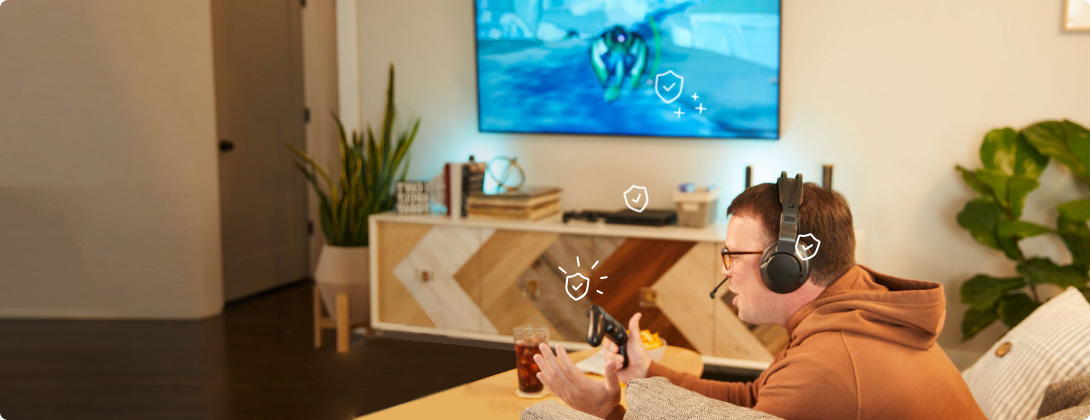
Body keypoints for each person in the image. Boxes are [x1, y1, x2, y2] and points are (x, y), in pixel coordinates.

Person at [533, 179, 986, 420]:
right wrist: (647, 372)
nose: (726, 269)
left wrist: (607, 411)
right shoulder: (854, 310)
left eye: (733, 254)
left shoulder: (830, 365)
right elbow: (756, 399)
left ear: (786, 265)